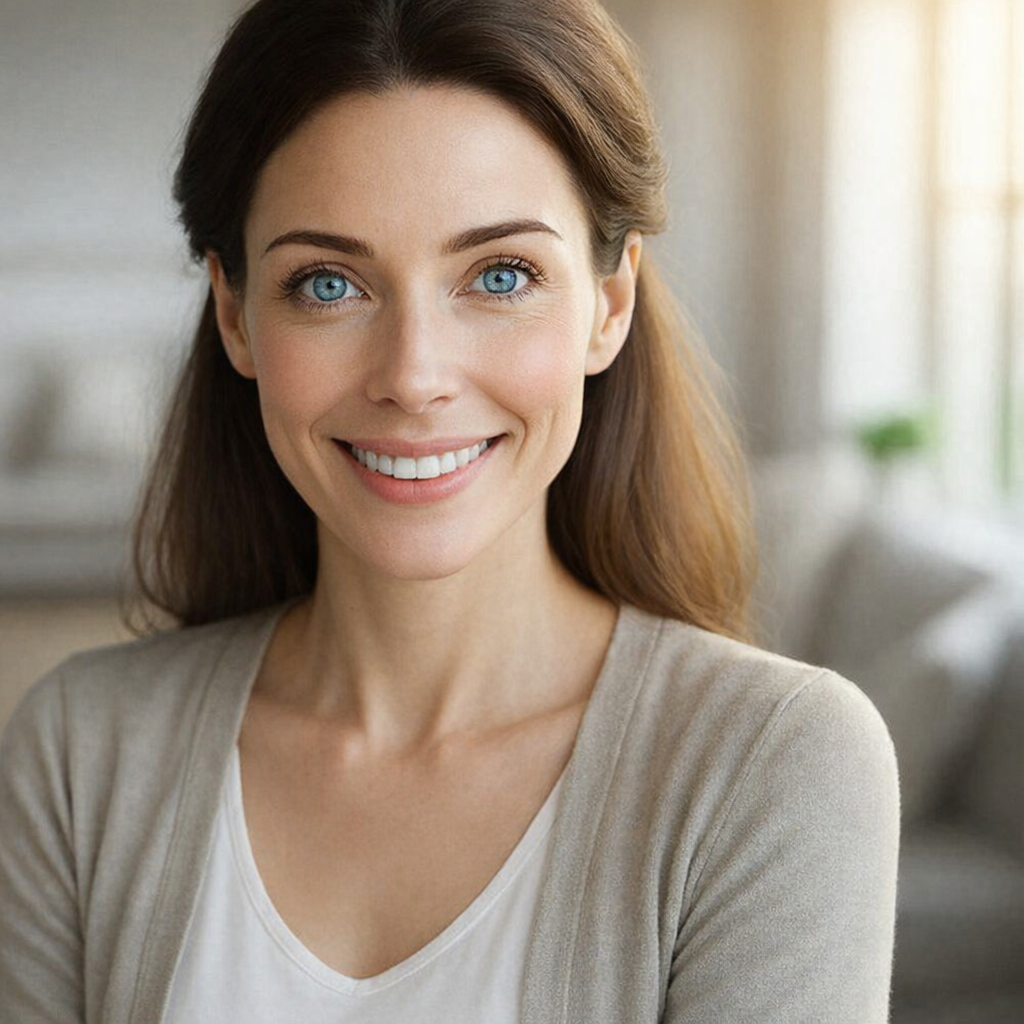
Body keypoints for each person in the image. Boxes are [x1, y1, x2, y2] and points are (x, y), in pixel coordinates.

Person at [0, 0, 900, 1021]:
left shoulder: (772, 763)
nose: (414, 376)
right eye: (328, 283)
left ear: (610, 304)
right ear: (235, 313)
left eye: (501, 274)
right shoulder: (81, 753)